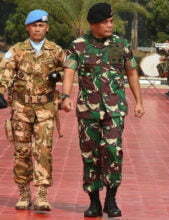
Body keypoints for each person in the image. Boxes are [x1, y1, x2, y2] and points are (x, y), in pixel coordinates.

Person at [61, 3, 145, 218]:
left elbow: (132, 73)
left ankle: (111, 198)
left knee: (113, 152)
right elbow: (69, 71)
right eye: (105, 22)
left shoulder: (120, 44)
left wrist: (139, 101)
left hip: (114, 110)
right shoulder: (78, 46)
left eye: (111, 21)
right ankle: (94, 202)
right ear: (93, 24)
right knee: (90, 155)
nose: (110, 25)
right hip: (88, 111)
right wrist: (65, 96)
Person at [0, 9, 66, 211]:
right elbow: (5, 72)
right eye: (34, 25)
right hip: (21, 109)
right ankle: (24, 193)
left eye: (41, 25)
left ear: (47, 28)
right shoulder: (17, 50)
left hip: (45, 109)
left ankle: (42, 195)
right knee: (22, 152)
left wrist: (59, 75)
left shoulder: (55, 50)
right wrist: (2, 89)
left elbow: (70, 70)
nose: (38, 29)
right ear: (28, 27)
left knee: (43, 151)